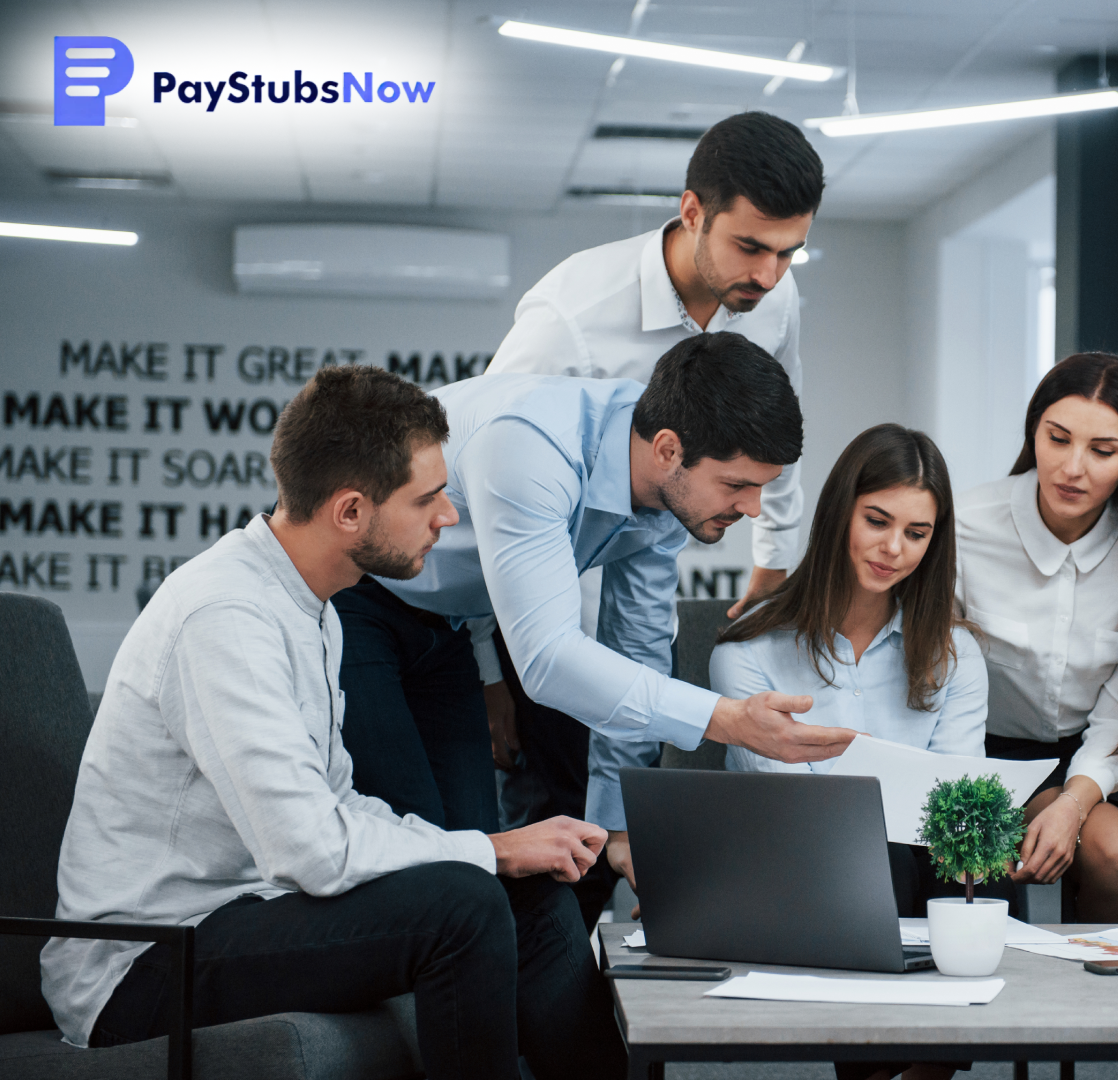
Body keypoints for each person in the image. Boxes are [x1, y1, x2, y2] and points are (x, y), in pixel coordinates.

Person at [42, 366, 627, 1080]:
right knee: (467, 903)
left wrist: (502, 852)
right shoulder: (225, 615)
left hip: (245, 914)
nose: (448, 517)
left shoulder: (311, 603)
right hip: (146, 963)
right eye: (428, 498)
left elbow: (340, 808)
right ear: (351, 511)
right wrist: (489, 848)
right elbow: (311, 851)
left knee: (524, 891)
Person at [338, 332, 855, 926]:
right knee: (429, 860)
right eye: (738, 485)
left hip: (452, 622)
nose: (754, 509)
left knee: (471, 865)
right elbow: (549, 661)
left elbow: (637, 650)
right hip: (363, 597)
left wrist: (619, 825)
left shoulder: (665, 490)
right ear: (667, 450)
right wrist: (729, 720)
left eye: (762, 487)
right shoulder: (532, 446)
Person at [475, 110, 825, 870]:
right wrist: (487, 669)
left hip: (643, 558)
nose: (767, 276)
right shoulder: (569, 319)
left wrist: (775, 551)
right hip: (525, 582)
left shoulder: (772, 298)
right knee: (547, 801)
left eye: (788, 254)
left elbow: (779, 423)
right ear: (692, 211)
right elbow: (471, 499)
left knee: (620, 804)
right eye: (751, 247)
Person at [955, 352, 1118, 941]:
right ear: (1034, 432)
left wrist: (1075, 800)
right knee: (1117, 852)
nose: (1073, 468)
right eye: (1058, 438)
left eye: (1103, 450)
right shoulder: (965, 527)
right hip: (996, 747)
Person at [712, 423, 993, 919]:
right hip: (792, 863)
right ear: (841, 511)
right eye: (877, 521)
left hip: (915, 865)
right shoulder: (749, 649)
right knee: (881, 856)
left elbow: (957, 803)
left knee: (976, 865)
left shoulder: (957, 653)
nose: (894, 549)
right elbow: (787, 804)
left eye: (916, 533)